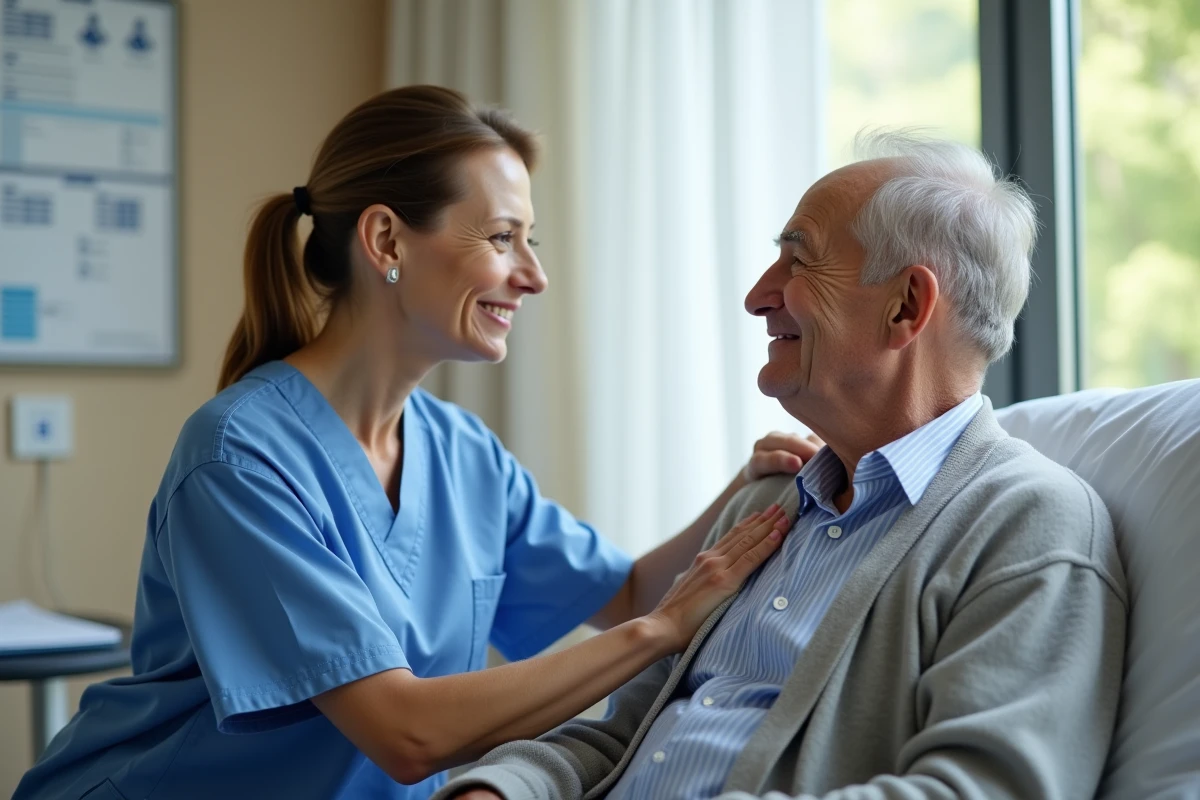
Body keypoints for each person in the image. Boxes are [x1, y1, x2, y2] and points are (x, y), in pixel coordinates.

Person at [12, 86, 822, 800]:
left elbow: (632, 591)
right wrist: (664, 631)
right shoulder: (238, 458)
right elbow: (405, 734)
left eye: (531, 241)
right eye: (503, 238)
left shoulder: (462, 454)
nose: (533, 276)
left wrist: (743, 488)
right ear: (388, 243)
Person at [437, 132, 1129, 800]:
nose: (758, 295)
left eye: (799, 262)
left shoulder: (1030, 524)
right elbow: (622, 736)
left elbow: (981, 789)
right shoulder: (766, 508)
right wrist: (500, 789)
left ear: (907, 306)